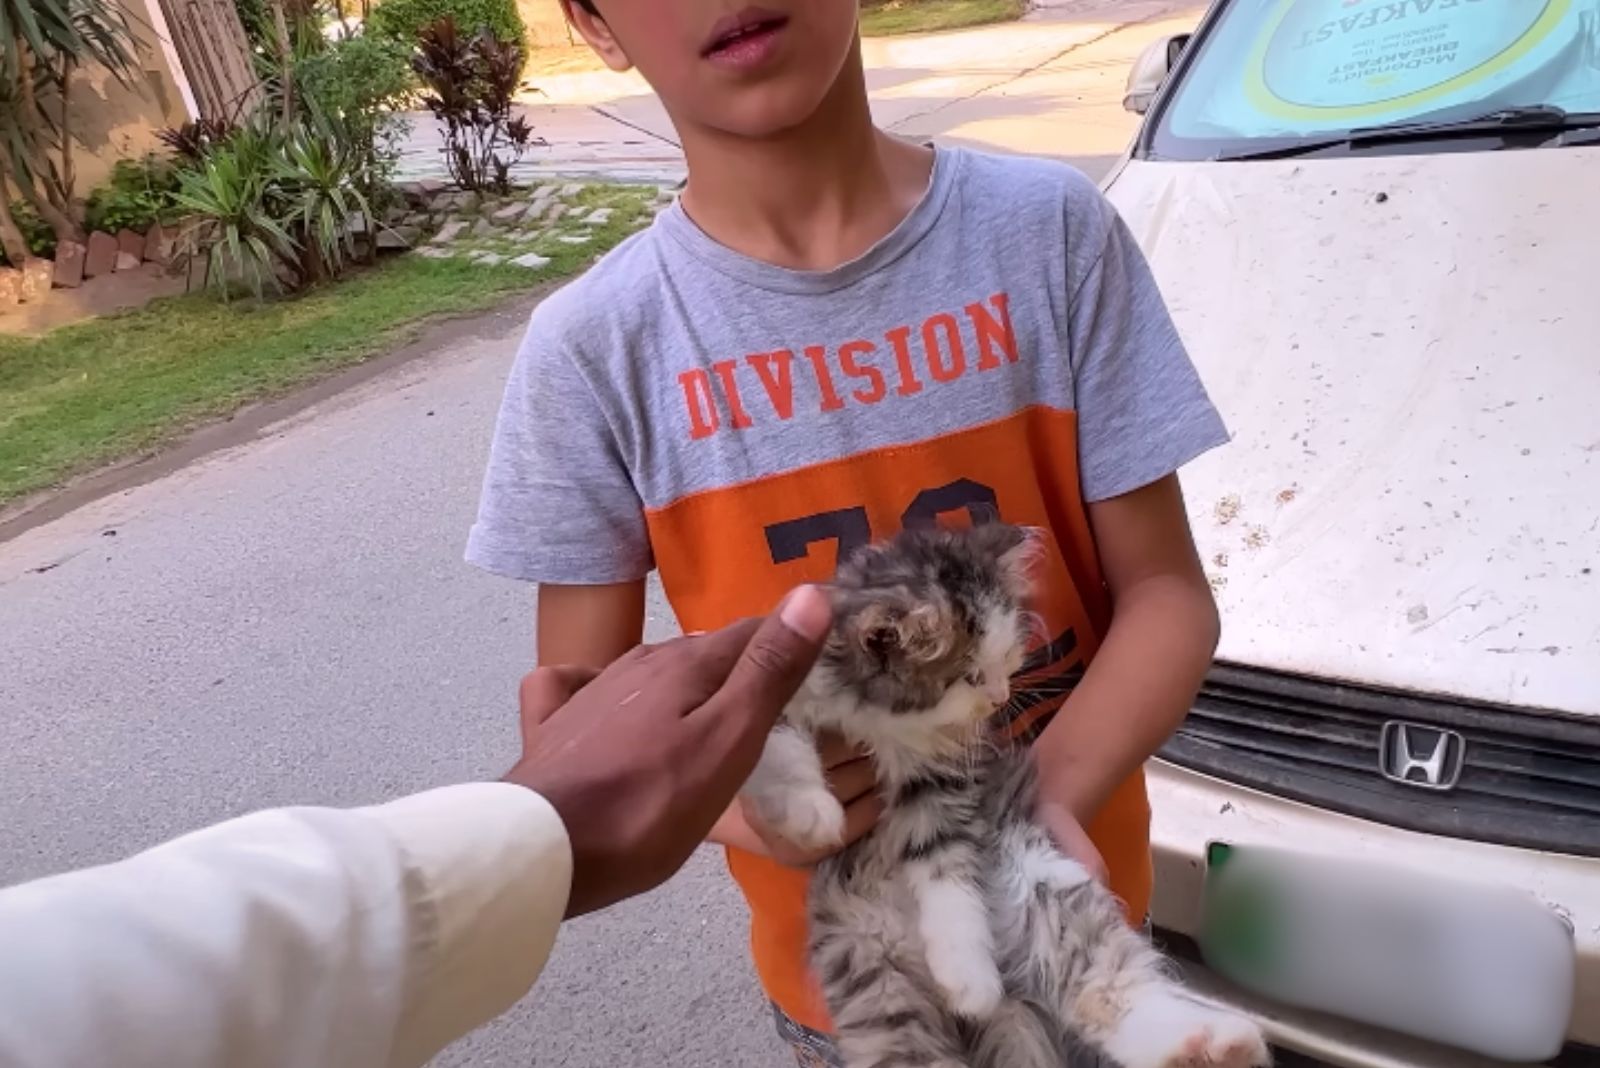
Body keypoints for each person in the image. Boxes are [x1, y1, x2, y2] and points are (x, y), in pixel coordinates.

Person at [463, 1, 1228, 1062]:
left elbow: (1166, 597)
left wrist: (1028, 815)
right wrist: (745, 813)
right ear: (591, 23)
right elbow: (587, 730)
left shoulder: (1049, 231)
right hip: (855, 1008)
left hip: (1078, 947)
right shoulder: (594, 349)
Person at [0, 588, 832, 1068]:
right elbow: (590, 709)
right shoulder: (591, 343)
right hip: (838, 992)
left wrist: (554, 821)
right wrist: (724, 804)